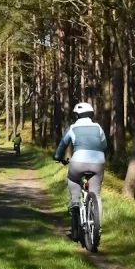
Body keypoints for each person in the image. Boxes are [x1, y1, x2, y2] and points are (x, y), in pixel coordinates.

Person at [53, 102, 108, 242]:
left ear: (76, 115)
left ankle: (75, 202)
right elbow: (104, 145)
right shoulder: (98, 127)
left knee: (72, 179)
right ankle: (98, 227)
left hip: (78, 162)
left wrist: (58, 157)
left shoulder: (73, 128)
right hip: (98, 163)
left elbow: (63, 144)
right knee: (96, 194)